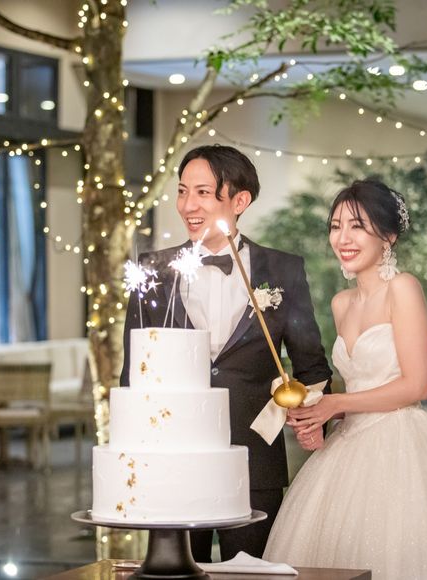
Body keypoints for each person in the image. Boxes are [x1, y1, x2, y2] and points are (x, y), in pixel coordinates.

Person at [263, 179, 427, 578]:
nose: (343, 237)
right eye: (336, 226)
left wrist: (336, 403)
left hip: (402, 443)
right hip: (346, 447)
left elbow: (417, 385)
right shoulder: (341, 303)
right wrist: (320, 418)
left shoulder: (403, 289)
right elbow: (357, 385)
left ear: (388, 236)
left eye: (357, 225)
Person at [120, 144, 332, 561]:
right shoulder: (153, 271)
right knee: (177, 571)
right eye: (183, 192)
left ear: (240, 201)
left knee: (252, 572)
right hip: (175, 460)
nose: (188, 206)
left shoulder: (282, 270)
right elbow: (134, 375)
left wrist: (304, 417)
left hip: (255, 461)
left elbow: (312, 366)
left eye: (203, 193)